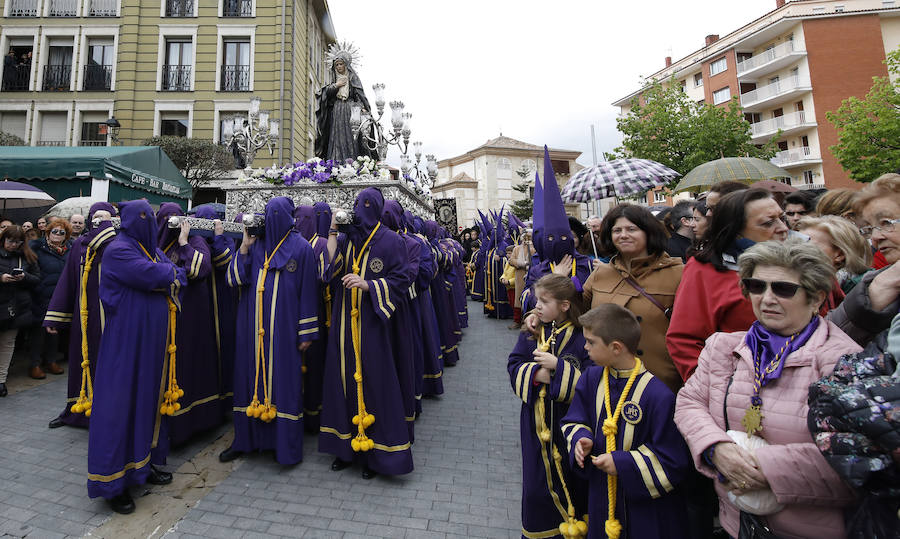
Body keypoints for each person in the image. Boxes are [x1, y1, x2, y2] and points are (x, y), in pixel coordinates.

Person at [674, 240, 861, 539]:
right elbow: (689, 402)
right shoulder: (723, 346)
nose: (767, 298)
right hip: (738, 525)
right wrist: (714, 448)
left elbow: (859, 459)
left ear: (815, 299)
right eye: (757, 286)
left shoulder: (843, 361)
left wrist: (760, 468)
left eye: (784, 289)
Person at [86, 200, 186, 514]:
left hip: (151, 343)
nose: (148, 222)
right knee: (120, 406)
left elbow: (174, 273)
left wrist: (168, 272)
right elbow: (155, 274)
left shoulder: (147, 248)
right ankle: (112, 483)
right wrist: (168, 272)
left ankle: (142, 466)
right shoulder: (119, 249)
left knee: (147, 403)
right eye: (143, 217)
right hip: (126, 343)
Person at [562, 303, 692, 539]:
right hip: (601, 497)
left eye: (591, 342)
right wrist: (581, 439)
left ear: (616, 348)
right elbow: (574, 418)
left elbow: (672, 460)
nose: (585, 347)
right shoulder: (591, 379)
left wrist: (622, 463)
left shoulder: (658, 396)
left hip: (642, 510)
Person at [320, 187, 413, 479]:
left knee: (375, 382)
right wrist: (333, 233)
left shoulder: (391, 240)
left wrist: (369, 285)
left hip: (373, 324)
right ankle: (345, 449)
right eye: (359, 204)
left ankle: (376, 455)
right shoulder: (348, 239)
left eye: (367, 205)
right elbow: (328, 274)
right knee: (343, 379)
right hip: (345, 322)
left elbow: (402, 279)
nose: (362, 209)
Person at [219, 197, 319, 465]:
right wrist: (243, 248)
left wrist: (306, 333)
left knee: (283, 384)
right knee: (248, 380)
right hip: (251, 329)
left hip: (284, 332)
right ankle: (245, 440)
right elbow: (234, 279)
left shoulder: (301, 248)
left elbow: (309, 293)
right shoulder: (256, 244)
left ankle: (284, 447)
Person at [667, 188, 789, 382]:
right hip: (741, 394)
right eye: (768, 223)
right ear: (736, 231)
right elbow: (684, 341)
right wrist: (716, 391)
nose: (783, 228)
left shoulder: (805, 261)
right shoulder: (705, 270)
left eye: (783, 218)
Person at [507, 274, 589, 537]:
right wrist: (536, 374)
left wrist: (558, 369)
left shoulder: (582, 336)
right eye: (536, 301)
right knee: (536, 484)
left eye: (544, 301)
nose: (537, 307)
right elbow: (514, 363)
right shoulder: (533, 330)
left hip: (570, 420)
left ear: (565, 305)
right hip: (536, 421)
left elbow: (593, 380)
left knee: (573, 477)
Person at [583, 204, 684, 393]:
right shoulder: (601, 273)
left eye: (632, 229)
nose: (623, 235)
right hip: (607, 382)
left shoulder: (678, 274)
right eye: (617, 230)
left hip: (659, 384)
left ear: (648, 232)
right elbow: (576, 310)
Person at [44, 203, 117, 429]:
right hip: (83, 318)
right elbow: (68, 280)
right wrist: (55, 316)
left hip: (113, 316)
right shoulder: (80, 246)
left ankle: (109, 413)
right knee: (81, 363)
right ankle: (75, 411)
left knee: (109, 365)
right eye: (95, 217)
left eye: (104, 218)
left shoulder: (120, 245)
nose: (99, 222)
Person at [155, 203, 221, 447]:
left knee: (188, 368)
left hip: (191, 318)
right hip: (163, 320)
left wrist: (184, 242)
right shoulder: (156, 244)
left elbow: (199, 270)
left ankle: (189, 423)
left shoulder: (195, 240)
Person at [827, 173, 900, 347]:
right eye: (869, 227)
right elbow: (827, 343)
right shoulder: (879, 280)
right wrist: (874, 293)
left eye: (886, 222)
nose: (875, 237)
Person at [314, 46, 378, 162]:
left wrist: (362, 108)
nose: (339, 67)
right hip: (337, 110)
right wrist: (336, 85)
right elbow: (324, 94)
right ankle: (336, 161)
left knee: (351, 136)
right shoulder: (335, 79)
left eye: (341, 64)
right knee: (336, 136)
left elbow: (359, 95)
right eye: (337, 65)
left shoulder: (353, 78)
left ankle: (352, 160)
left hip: (351, 111)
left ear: (346, 64)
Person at [27, 217, 71, 380]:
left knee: (54, 330)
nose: (58, 234)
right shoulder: (37, 247)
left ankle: (51, 360)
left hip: (58, 296)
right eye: (55, 231)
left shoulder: (69, 250)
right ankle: (35, 364)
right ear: (48, 232)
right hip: (39, 295)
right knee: (38, 331)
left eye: (62, 232)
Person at [0, 225, 40, 397]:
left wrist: (24, 277)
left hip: (16, 307)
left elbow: (37, 279)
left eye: (18, 242)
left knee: (7, 345)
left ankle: (1, 380)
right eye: (10, 241)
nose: (14, 245)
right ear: (3, 239)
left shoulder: (28, 257)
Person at [796, 215, 872, 293]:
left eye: (808, 246)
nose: (795, 249)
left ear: (839, 255)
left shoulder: (866, 292)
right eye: (795, 243)